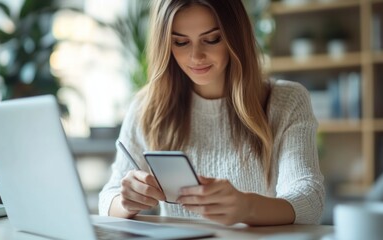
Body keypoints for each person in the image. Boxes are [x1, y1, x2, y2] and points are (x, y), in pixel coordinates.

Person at [99, 0, 324, 226]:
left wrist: (247, 207)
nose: (196, 56)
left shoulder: (286, 101)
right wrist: (125, 201)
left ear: (235, 36)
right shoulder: (146, 107)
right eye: (180, 42)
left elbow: (309, 199)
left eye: (212, 39)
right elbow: (107, 199)